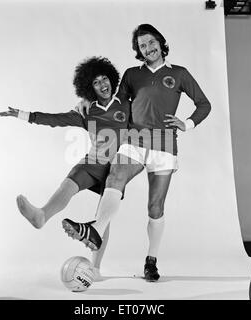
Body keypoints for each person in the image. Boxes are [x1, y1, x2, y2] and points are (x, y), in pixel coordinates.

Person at [62, 24, 211, 282]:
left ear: (160, 42)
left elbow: (204, 104)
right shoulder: (132, 75)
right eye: (142, 46)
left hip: (164, 145)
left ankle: (151, 261)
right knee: (115, 175)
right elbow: (113, 103)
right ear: (138, 51)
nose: (148, 48)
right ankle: (96, 229)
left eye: (151, 42)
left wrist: (186, 123)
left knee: (155, 207)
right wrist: (87, 99)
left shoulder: (179, 73)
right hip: (135, 139)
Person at [0, 56, 130, 280]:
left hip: (118, 168)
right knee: (70, 182)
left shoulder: (126, 103)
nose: (102, 84)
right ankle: (41, 216)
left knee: (101, 219)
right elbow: (56, 119)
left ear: (111, 79)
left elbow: (147, 114)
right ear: (89, 87)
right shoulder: (86, 112)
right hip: (93, 163)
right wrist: (22, 114)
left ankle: (95, 269)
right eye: (95, 82)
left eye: (104, 78)